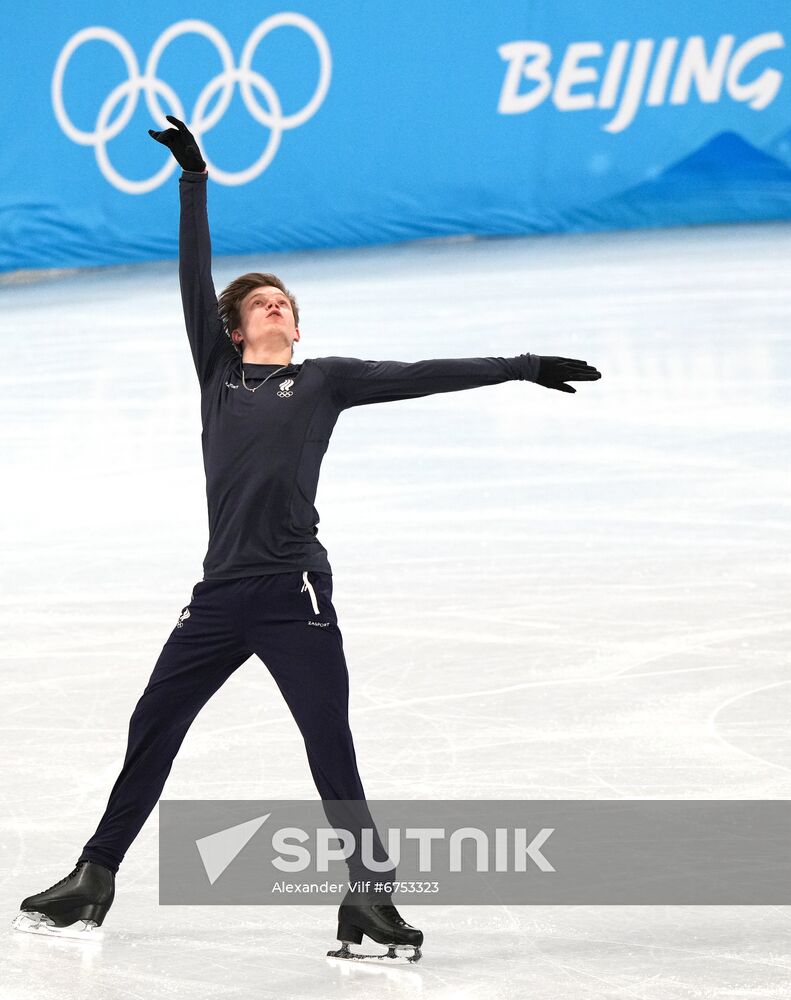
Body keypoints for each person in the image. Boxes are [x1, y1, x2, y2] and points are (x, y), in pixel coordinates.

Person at [13, 116, 601, 960]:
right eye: (261, 302)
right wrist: (193, 178)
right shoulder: (217, 375)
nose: (278, 304)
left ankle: (369, 899)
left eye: (285, 299)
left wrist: (521, 363)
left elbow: (422, 375)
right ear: (236, 326)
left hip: (294, 594)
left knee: (330, 745)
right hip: (218, 597)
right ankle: (94, 876)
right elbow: (193, 274)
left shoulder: (322, 380)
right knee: (153, 723)